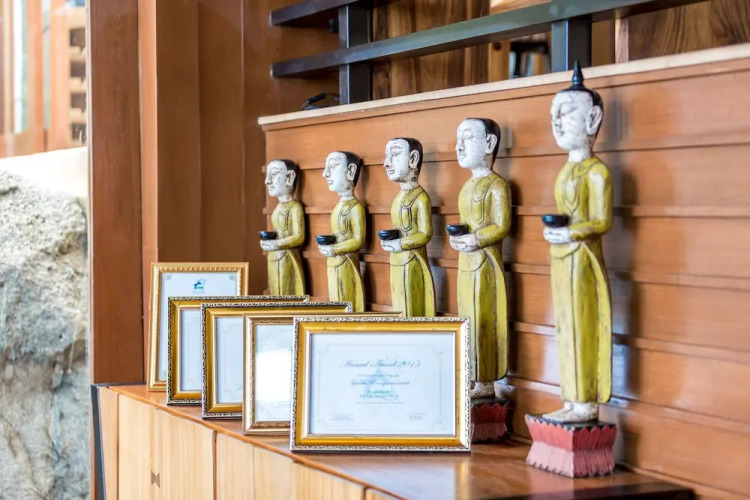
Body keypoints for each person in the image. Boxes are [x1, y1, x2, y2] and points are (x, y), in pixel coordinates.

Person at [542, 62, 612, 423]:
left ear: (592, 119)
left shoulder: (596, 171)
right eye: (553, 114)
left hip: (583, 259)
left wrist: (572, 232)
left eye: (566, 112)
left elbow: (601, 220)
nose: (556, 122)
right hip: (562, 258)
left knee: (583, 326)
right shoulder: (566, 170)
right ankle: (570, 398)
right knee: (565, 326)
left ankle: (585, 402)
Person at [450, 118, 511, 399]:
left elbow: (501, 225)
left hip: (486, 264)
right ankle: (472, 376)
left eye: (468, 138)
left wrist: (476, 239)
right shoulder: (466, 187)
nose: (459, 146)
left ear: (489, 143)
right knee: (467, 317)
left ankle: (485, 380)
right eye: (458, 139)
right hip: (466, 263)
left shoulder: (497, 185)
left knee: (484, 316)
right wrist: (458, 237)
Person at [381, 138, 436, 317]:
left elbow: (425, 233)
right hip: (396, 261)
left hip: (412, 261)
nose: (386, 163)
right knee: (399, 304)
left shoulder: (420, 197)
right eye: (386, 156)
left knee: (413, 304)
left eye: (395, 154)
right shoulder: (398, 198)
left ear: (413, 159)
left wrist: (400, 244)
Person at [318, 151, 366, 311]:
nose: (325, 173)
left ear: (351, 171)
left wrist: (335, 248)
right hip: (334, 263)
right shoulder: (338, 207)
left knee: (348, 298)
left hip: (347, 263)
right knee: (335, 300)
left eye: (332, 166)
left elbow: (358, 240)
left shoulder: (355, 207)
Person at [261, 159, 305, 296]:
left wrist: (277, 244)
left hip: (287, 258)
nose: (267, 181)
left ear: (290, 177)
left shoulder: (295, 207)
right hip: (274, 259)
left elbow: (299, 236)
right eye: (267, 175)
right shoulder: (277, 209)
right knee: (275, 293)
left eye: (274, 174)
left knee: (287, 293)